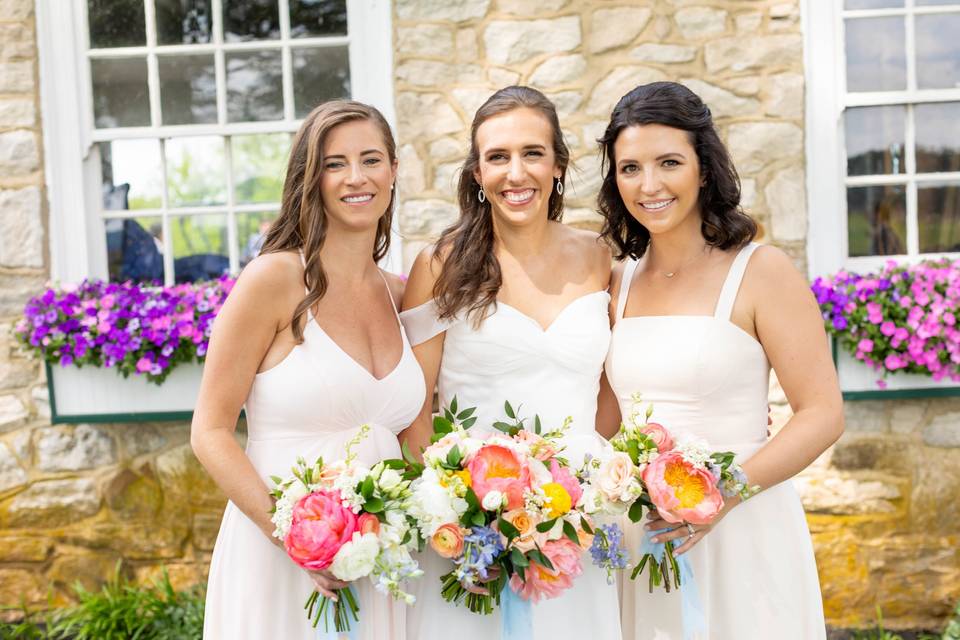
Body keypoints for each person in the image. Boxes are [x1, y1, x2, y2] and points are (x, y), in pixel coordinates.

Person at [596, 81, 843, 639]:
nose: (649, 185)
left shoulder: (762, 271)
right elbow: (606, 422)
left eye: (669, 163)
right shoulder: (616, 281)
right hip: (644, 535)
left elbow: (823, 413)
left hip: (742, 526)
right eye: (630, 167)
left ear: (704, 169)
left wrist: (723, 494)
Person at [192, 100, 424, 639]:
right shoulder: (274, 280)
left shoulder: (400, 295)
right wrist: (294, 536)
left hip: (380, 561)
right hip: (281, 558)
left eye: (372, 159)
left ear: (392, 171)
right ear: (310, 177)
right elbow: (210, 431)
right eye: (335, 163)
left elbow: (418, 433)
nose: (357, 177)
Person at [399, 86, 621, 640]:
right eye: (497, 157)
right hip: (474, 531)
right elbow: (411, 405)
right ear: (477, 172)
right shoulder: (440, 265)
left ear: (559, 165)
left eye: (532, 153)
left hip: (579, 523)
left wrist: (586, 494)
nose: (515, 172)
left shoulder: (600, 258)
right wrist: (455, 515)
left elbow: (611, 391)